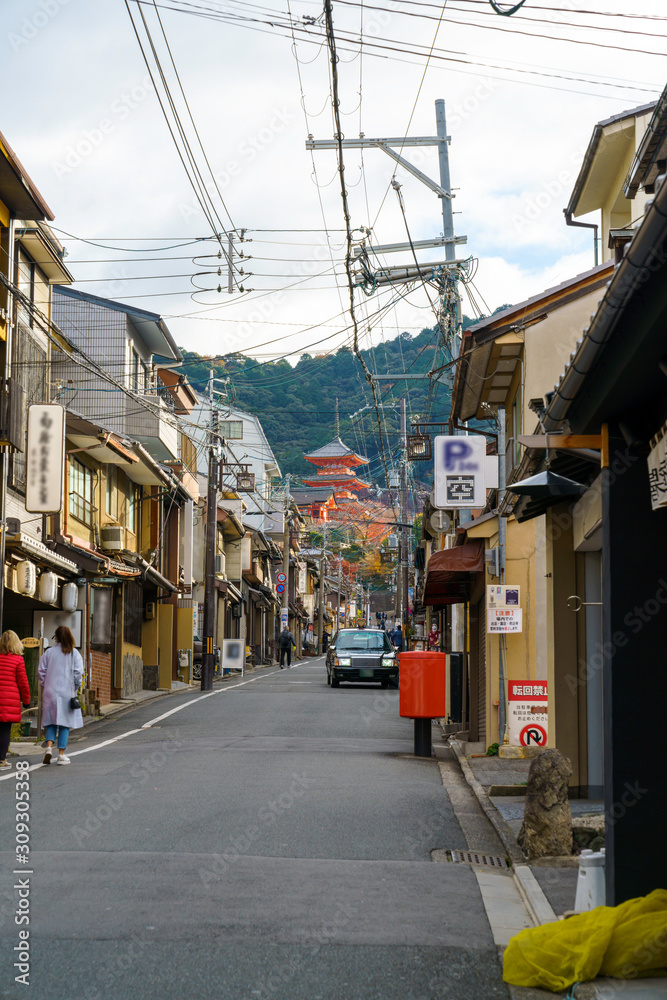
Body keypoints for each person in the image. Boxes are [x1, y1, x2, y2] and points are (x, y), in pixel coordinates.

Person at [38, 625, 83, 766]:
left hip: (50, 692)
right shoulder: (73, 653)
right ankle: (61, 755)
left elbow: (41, 671)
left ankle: (49, 747)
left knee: (51, 721)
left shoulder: (48, 653)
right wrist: (75, 687)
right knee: (64, 723)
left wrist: (45, 684)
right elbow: (78, 673)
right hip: (66, 692)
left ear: (56, 637)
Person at [0, 631, 31, 770]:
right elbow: (23, 683)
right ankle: (1, 760)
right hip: (8, 700)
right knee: (5, 729)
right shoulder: (18, 660)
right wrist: (26, 700)